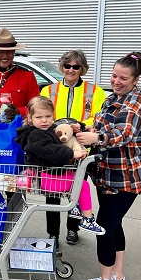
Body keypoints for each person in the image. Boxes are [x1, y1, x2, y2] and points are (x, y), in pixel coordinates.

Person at [76, 52, 141, 280]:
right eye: (114, 76)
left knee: (104, 228)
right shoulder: (112, 99)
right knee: (114, 225)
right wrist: (83, 131)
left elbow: (124, 133)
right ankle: (118, 276)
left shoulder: (136, 102)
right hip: (105, 175)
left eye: (123, 78)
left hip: (125, 179)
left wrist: (96, 139)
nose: (117, 81)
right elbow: (99, 126)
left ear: (135, 79)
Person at [41, 50, 107, 246]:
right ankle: (52, 233)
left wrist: (80, 124)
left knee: (77, 190)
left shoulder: (95, 91)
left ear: (82, 69)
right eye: (67, 66)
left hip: (81, 150)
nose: (71, 70)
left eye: (76, 66)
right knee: (51, 193)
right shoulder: (48, 91)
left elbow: (99, 117)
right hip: (53, 149)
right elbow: (41, 114)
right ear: (62, 67)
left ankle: (73, 229)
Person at [15, 96, 105, 239]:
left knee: (78, 184)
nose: (44, 120)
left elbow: (61, 137)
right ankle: (87, 219)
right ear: (30, 118)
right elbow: (49, 150)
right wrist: (72, 153)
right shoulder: (35, 134)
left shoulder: (47, 129)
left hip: (51, 175)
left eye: (48, 116)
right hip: (48, 178)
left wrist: (73, 131)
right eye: (39, 117)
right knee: (82, 186)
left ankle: (76, 209)